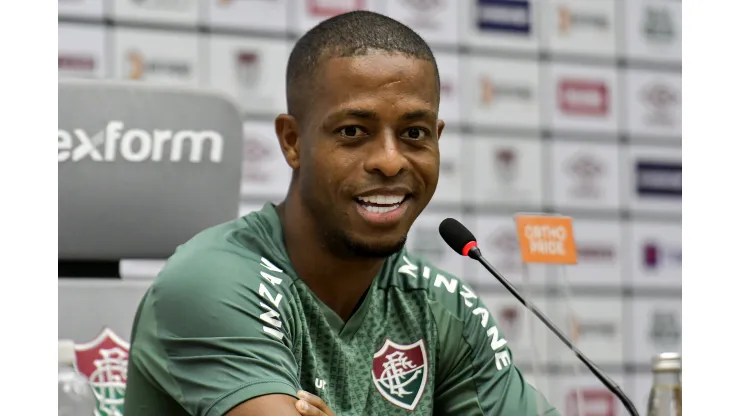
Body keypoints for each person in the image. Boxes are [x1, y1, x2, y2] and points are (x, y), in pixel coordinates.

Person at [123, 10, 560, 416]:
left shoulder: (441, 306)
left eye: (414, 133)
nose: (390, 161)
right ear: (292, 141)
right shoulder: (211, 281)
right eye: (353, 132)